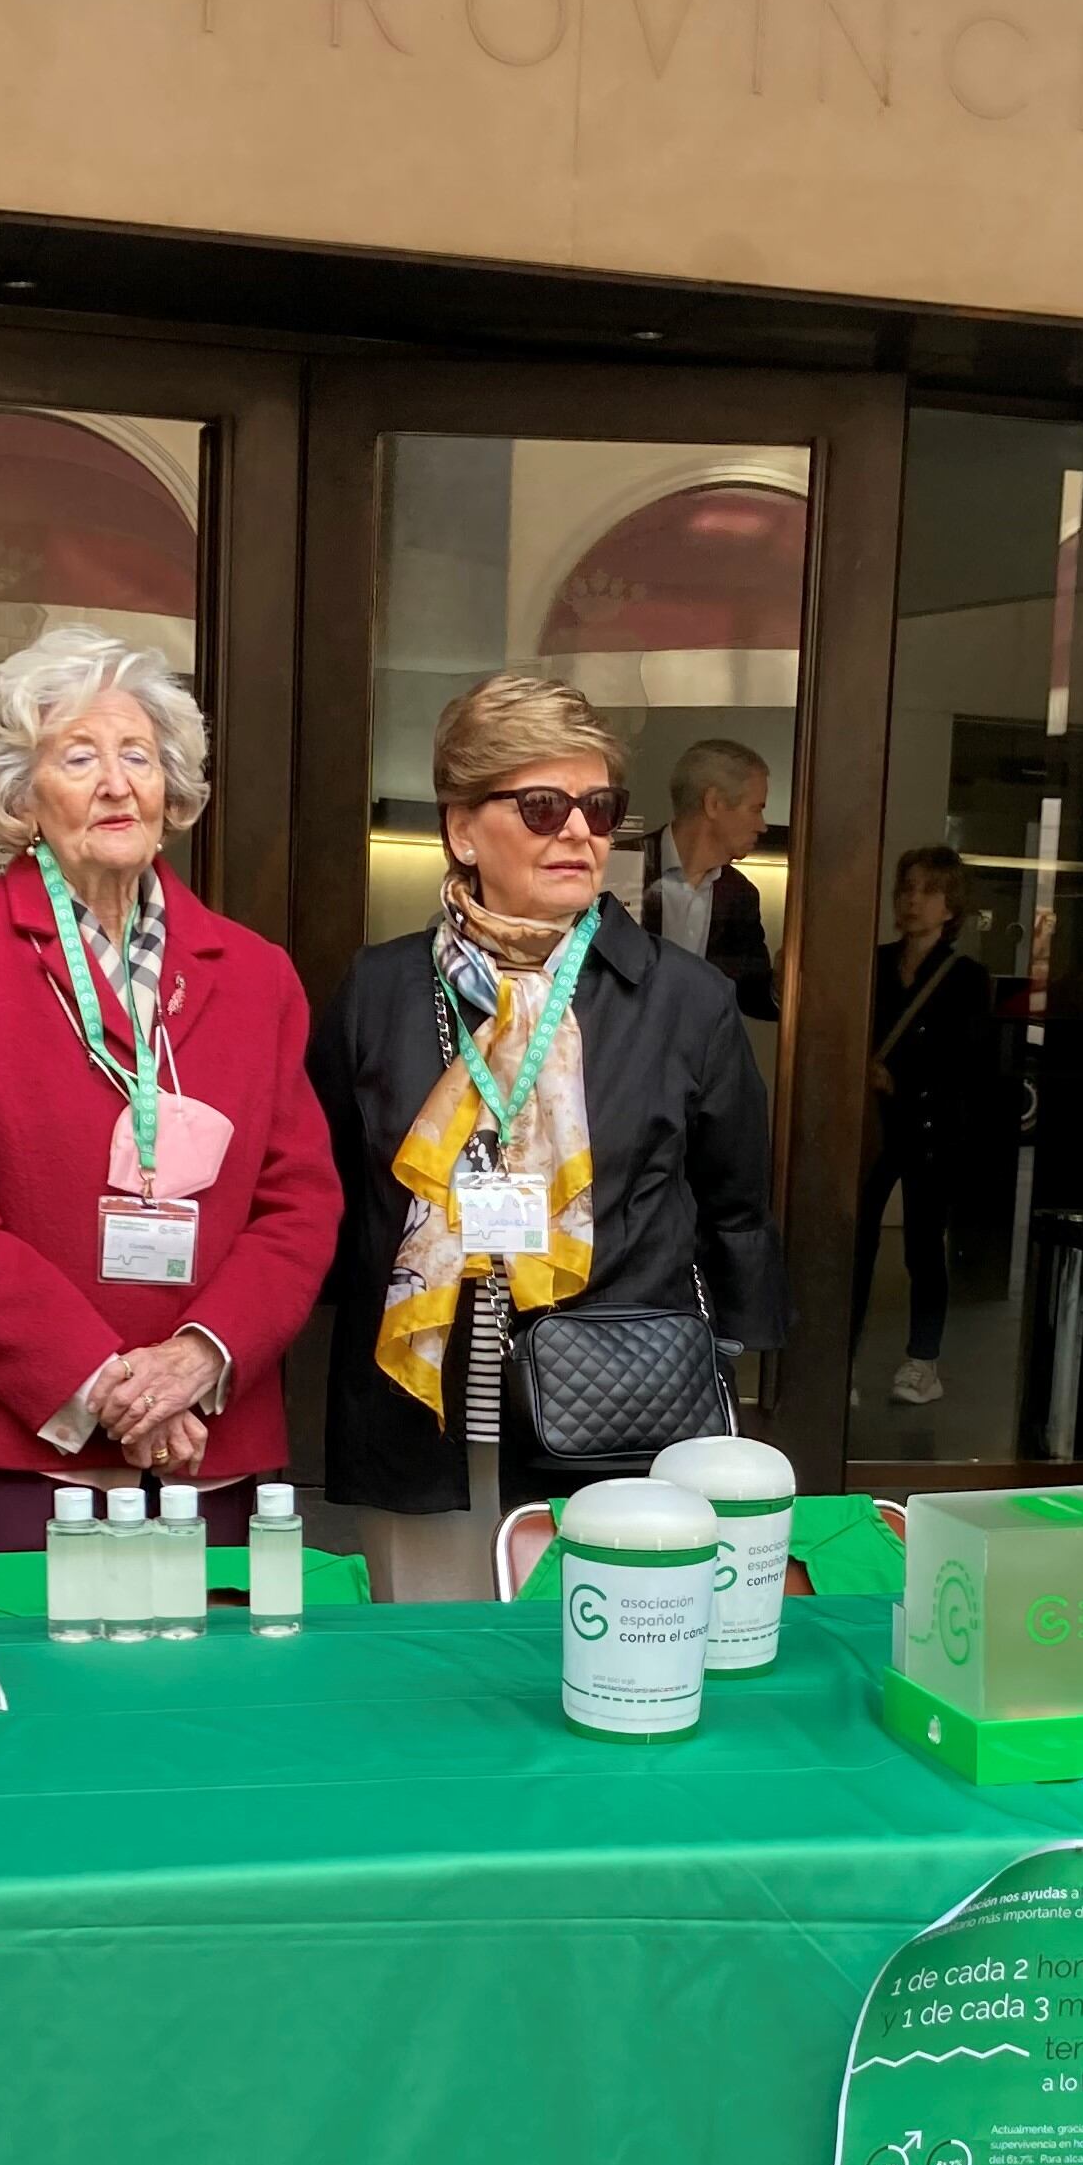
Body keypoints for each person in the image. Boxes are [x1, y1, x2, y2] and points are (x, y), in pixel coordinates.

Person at [0, 624, 341, 1552]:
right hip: (17, 1446)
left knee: (205, 1701)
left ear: (171, 785)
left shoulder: (256, 973)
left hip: (210, 1442)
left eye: (139, 754)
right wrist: (112, 1390)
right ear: (22, 793)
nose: (117, 781)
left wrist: (197, 1360)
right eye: (78, 756)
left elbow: (300, 1205)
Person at [312, 672, 787, 1590]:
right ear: (461, 828)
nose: (577, 831)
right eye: (540, 806)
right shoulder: (378, 991)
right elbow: (333, 1187)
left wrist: (730, 1356)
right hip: (423, 1412)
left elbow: (736, 1205)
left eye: (599, 807)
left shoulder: (686, 1001)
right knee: (436, 1681)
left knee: (601, 1671)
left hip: (620, 1406)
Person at [854, 846, 997, 1407]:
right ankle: (842, 1360)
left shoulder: (965, 976)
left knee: (921, 1246)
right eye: (906, 889)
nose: (913, 901)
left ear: (950, 905)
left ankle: (923, 1360)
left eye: (928, 891)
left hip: (931, 1127)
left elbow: (971, 1061)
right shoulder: (873, 962)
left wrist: (901, 1080)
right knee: (856, 1243)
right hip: (872, 1125)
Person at [627, 738, 778, 1020]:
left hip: (697, 1062)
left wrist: (785, 982)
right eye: (756, 809)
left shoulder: (741, 895)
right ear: (714, 803)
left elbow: (751, 997)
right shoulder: (621, 865)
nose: (763, 825)